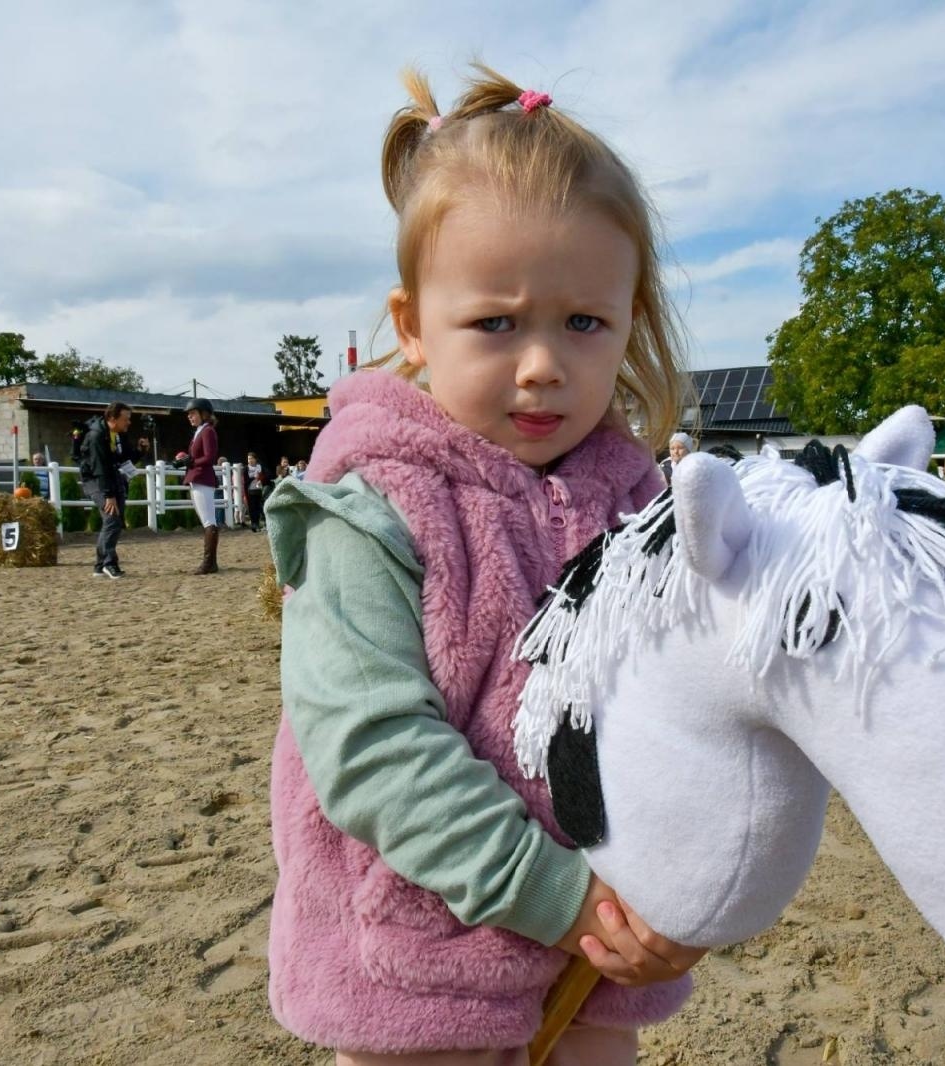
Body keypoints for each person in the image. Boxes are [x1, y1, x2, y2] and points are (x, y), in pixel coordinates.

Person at [264, 66, 704, 1064]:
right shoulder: (368, 506)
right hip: (414, 969)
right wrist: (557, 897)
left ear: (628, 320)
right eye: (496, 322)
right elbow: (371, 748)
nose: (543, 364)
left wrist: (689, 882)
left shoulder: (638, 503)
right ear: (412, 326)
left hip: (600, 961)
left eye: (584, 322)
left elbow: (692, 708)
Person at [79, 401, 136, 578]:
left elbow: (125, 458)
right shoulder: (96, 436)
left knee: (115, 522)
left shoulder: (118, 435)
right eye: (125, 419)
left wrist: (141, 450)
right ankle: (109, 563)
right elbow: (99, 468)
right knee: (112, 519)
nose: (129, 422)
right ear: (112, 418)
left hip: (112, 478)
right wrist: (108, 495)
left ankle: (99, 565)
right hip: (96, 481)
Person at [183, 398, 221, 574]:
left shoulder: (208, 431)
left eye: (193, 413)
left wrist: (191, 461)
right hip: (197, 477)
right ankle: (210, 562)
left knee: (208, 521)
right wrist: (186, 459)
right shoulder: (199, 431)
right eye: (189, 414)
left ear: (203, 414)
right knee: (206, 520)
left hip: (203, 478)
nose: (189, 417)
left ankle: (209, 563)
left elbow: (210, 457)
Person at [245, 452, 269, 531]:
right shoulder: (246, 468)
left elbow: (267, 475)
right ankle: (254, 524)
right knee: (252, 508)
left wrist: (261, 479)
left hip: (260, 490)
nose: (250, 460)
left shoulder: (260, 467)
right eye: (249, 459)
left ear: (255, 459)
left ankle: (259, 523)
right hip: (250, 490)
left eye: (251, 458)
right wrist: (253, 478)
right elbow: (245, 481)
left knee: (259, 507)